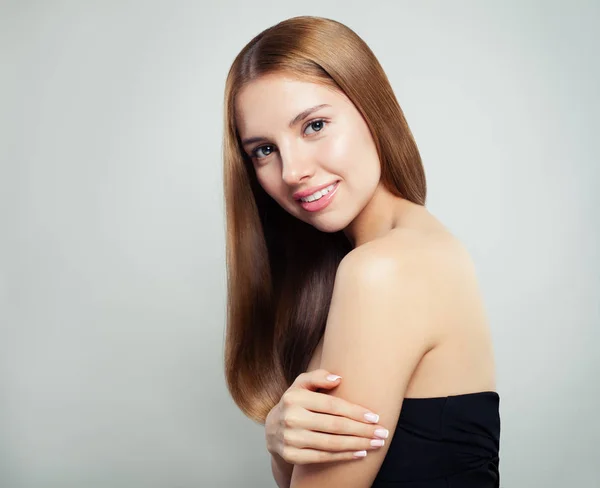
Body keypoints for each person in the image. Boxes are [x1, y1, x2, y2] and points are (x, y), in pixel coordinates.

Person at [222, 15, 500, 488]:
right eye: (264, 150)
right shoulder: (409, 248)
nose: (292, 171)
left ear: (372, 109)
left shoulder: (383, 271)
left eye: (314, 125)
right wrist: (280, 440)